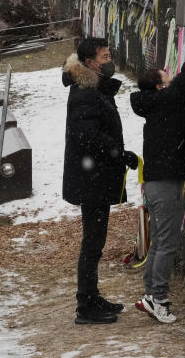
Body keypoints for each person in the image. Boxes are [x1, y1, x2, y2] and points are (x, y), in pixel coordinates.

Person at [62, 37, 140, 324]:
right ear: (91, 62)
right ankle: (86, 305)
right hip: (90, 179)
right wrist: (119, 154)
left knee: (95, 240)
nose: (110, 60)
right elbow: (87, 137)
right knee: (92, 242)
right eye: (105, 57)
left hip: (95, 177)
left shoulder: (94, 88)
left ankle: (91, 296)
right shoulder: (85, 93)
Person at [130, 44, 185, 324]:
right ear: (160, 87)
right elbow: (184, 82)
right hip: (165, 182)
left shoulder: (159, 104)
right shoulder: (165, 101)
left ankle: (151, 295)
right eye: (166, 77)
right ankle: (158, 299)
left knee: (160, 241)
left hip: (157, 182)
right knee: (167, 243)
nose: (171, 78)